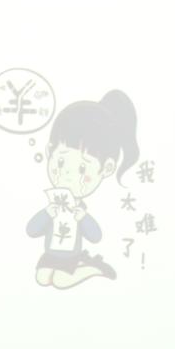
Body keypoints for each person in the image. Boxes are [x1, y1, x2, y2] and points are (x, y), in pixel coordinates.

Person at [26, 90, 139, 289]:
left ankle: (92, 268)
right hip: (50, 255)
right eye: (61, 162)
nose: (67, 176)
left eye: (82, 169)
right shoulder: (53, 207)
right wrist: (47, 213)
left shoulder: (79, 211)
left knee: (61, 281)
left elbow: (95, 237)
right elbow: (32, 230)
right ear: (50, 152)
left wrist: (83, 217)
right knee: (41, 278)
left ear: (107, 168)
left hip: (71, 257)